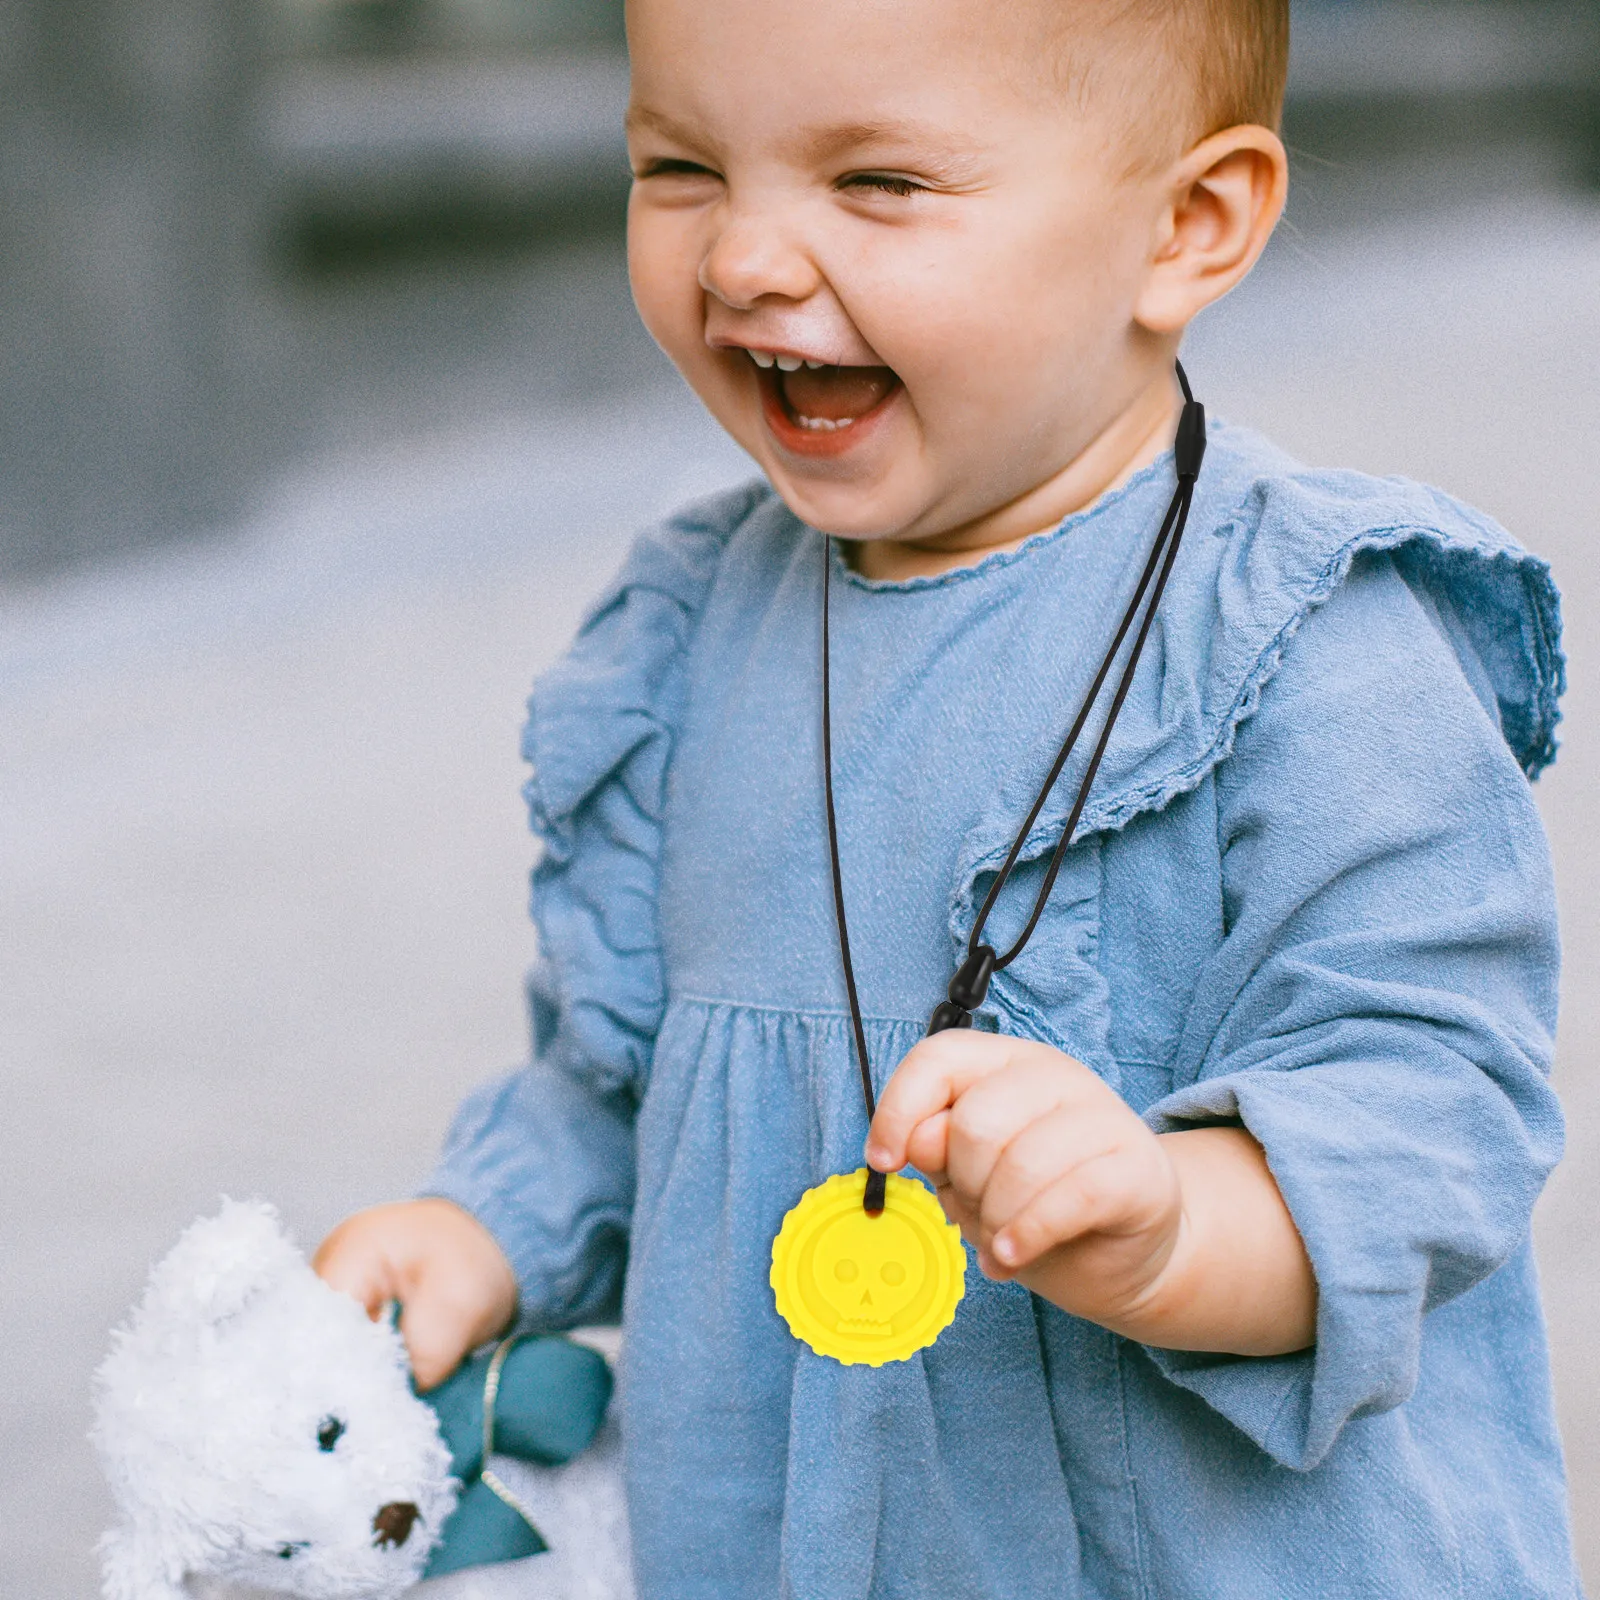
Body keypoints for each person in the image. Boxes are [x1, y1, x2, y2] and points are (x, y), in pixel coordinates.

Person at [313, 0, 1579, 1593]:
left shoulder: (1308, 639)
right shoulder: (693, 636)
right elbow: (620, 1073)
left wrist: (1178, 1224)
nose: (744, 263)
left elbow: (1431, 1104)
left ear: (1187, 226)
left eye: (879, 184)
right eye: (683, 166)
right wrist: (487, 1230)